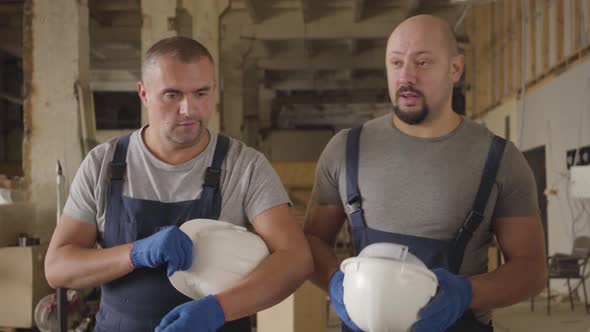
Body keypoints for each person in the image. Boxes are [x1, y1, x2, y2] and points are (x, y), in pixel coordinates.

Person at [44, 36, 313, 332]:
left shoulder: (244, 166)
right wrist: (134, 253)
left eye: (201, 93)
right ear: (143, 93)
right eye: (172, 95)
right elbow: (58, 268)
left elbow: (295, 259)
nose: (189, 109)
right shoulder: (103, 165)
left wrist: (218, 309)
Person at [304, 14, 546, 332]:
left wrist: (467, 292)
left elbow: (531, 269)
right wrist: (336, 283)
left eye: (423, 62)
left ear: (455, 69)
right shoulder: (345, 149)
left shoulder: (500, 159)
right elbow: (312, 241)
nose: (406, 76)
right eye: (396, 62)